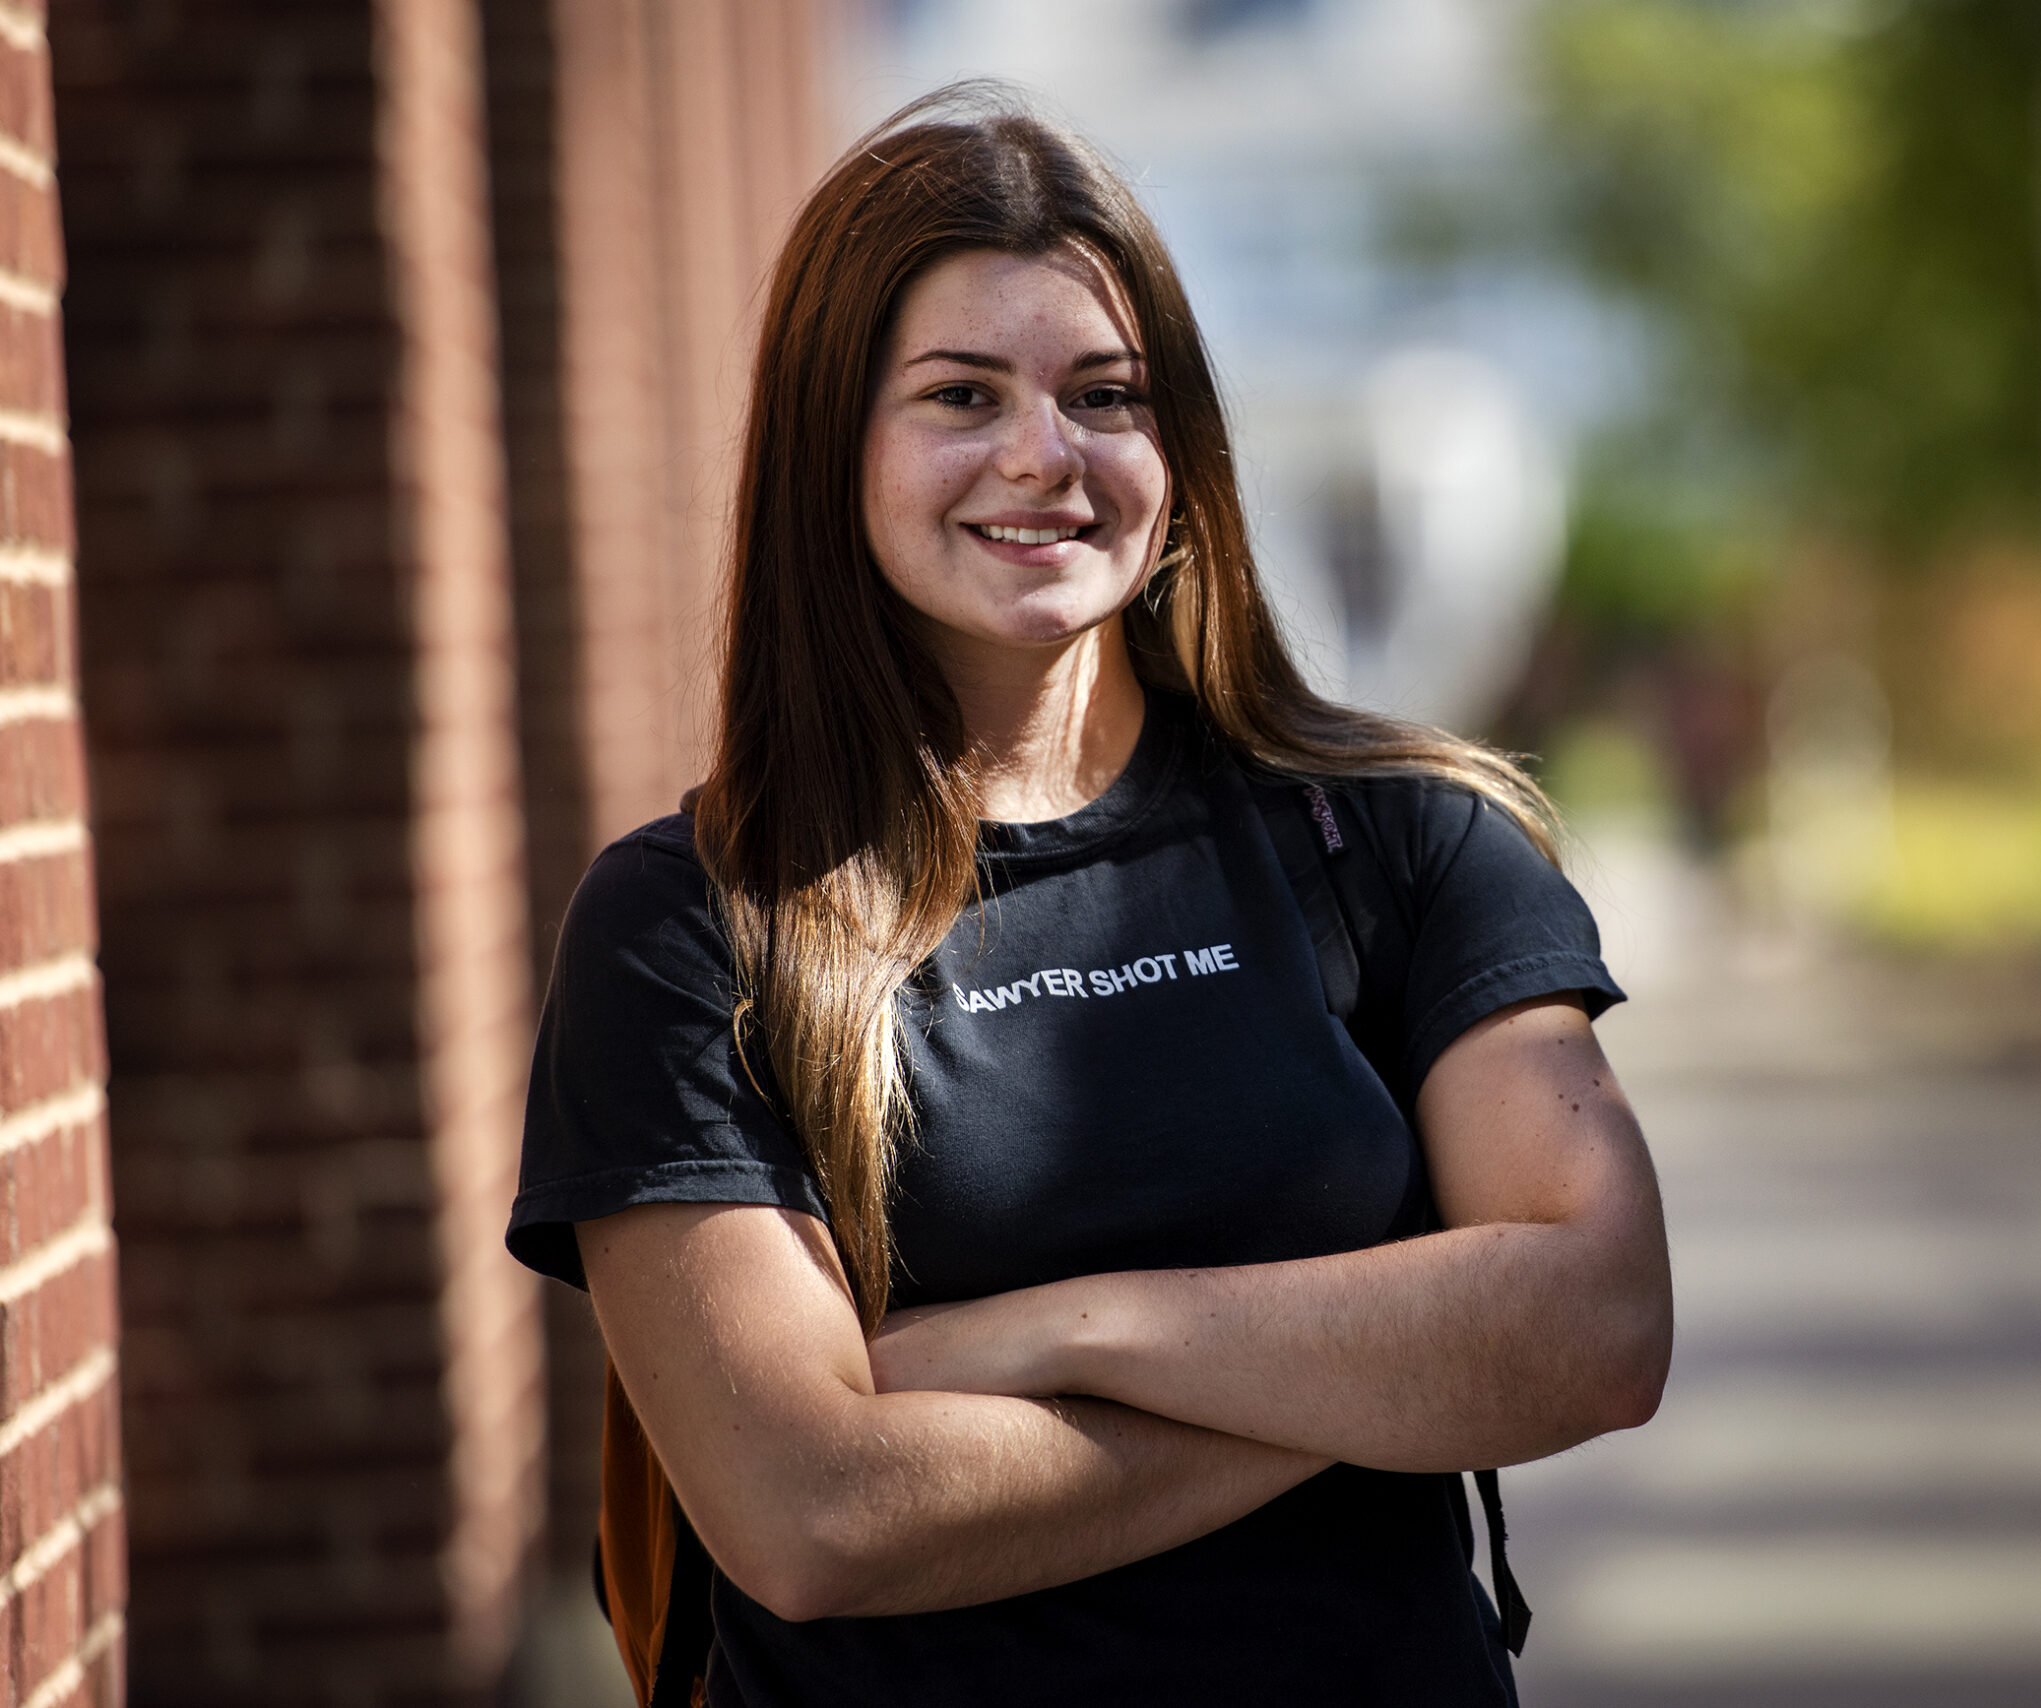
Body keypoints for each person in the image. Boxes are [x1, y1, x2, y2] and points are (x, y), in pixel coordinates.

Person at [505, 87, 1673, 1708]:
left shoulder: (1402, 838)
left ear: (1180, 456)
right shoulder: (694, 925)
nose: (1042, 454)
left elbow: (1598, 1323)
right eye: (960, 395)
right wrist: (1375, 1374)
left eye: (1104, 394)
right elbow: (814, 1514)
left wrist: (1068, 1331)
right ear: (831, 449)